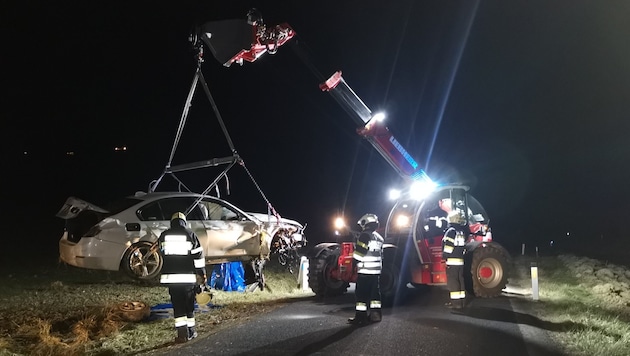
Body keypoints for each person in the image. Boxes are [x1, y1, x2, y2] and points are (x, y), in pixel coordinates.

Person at [158, 212, 207, 343]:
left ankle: (181, 334)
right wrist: (201, 274)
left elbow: (161, 254)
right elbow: (198, 257)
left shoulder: (164, 235)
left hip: (171, 279)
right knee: (188, 306)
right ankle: (191, 332)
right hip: (187, 279)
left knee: (178, 306)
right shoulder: (190, 235)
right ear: (184, 222)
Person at [348, 213, 384, 326]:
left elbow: (359, 254)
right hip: (376, 272)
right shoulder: (379, 237)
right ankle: (375, 315)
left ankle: (360, 317)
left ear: (365, 223)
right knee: (375, 296)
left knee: (361, 295)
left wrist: (353, 264)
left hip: (365, 271)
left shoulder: (364, 236)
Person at [442, 209, 468, 309]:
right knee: (460, 281)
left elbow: (448, 246)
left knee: (453, 282)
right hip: (460, 261)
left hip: (452, 261)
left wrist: (444, 258)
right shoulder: (460, 231)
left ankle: (456, 304)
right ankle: (462, 302)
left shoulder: (451, 231)